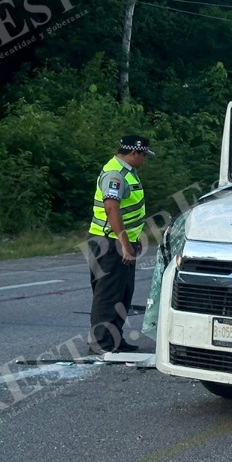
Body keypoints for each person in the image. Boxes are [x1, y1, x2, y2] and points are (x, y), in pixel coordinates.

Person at [85, 136, 153, 354]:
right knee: (108, 294)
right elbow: (111, 209)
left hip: (120, 241)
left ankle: (114, 338)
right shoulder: (116, 174)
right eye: (144, 156)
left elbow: (129, 210)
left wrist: (133, 239)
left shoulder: (127, 172)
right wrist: (125, 243)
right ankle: (101, 342)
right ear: (135, 153)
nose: (145, 161)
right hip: (108, 243)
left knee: (122, 293)